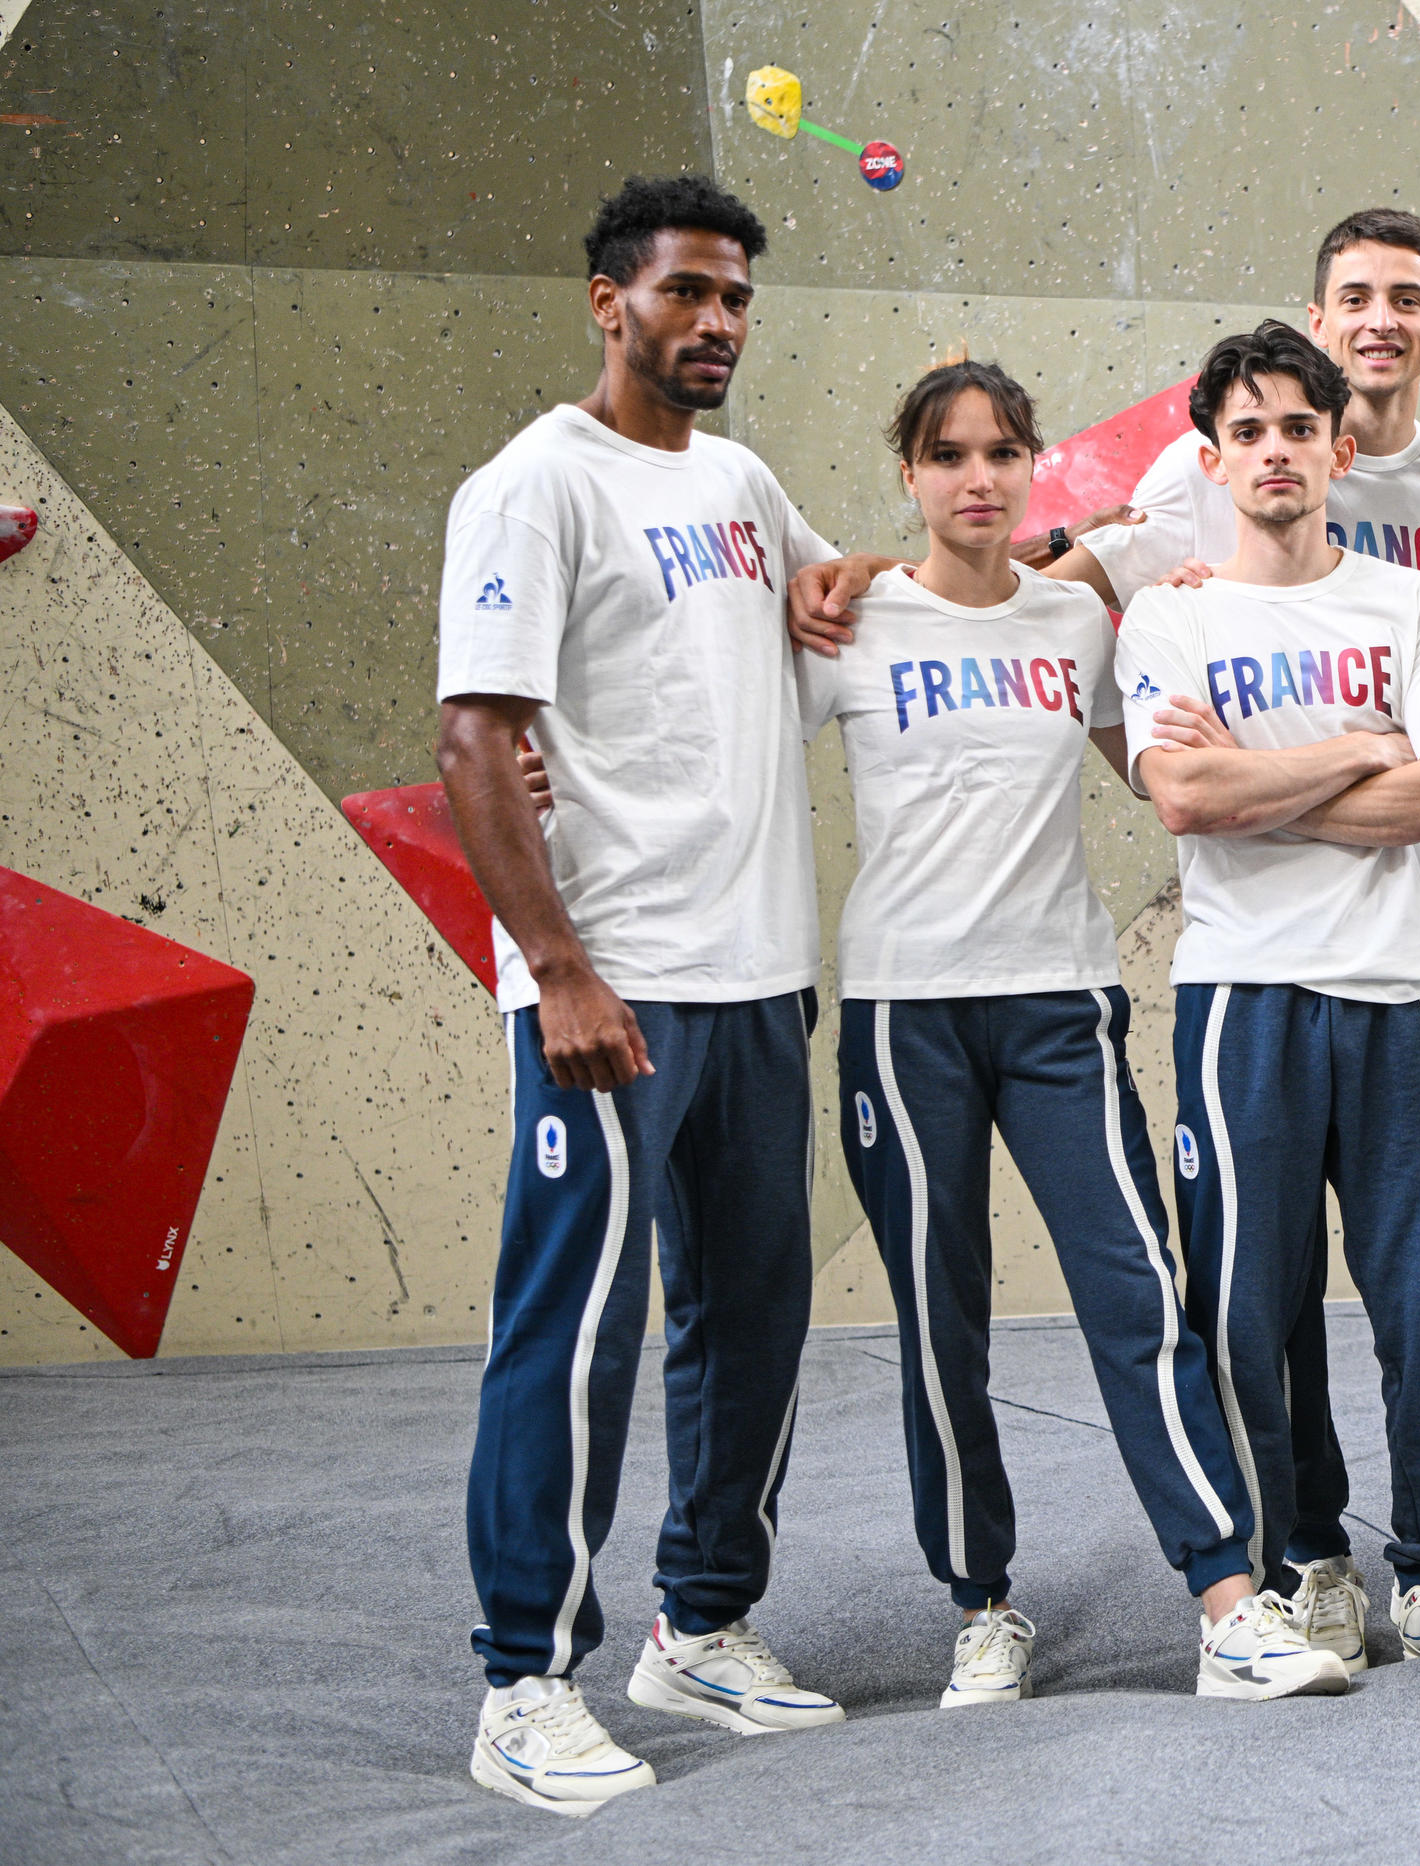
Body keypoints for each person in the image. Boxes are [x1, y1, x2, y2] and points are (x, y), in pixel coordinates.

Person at [797, 360, 1342, 1702]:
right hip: (903, 1011)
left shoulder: (1085, 625)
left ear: (1031, 464)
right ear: (911, 474)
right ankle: (982, 1601)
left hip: (1058, 1003)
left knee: (1138, 1293)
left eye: (1000, 452)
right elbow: (721, 727)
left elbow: (1166, 776)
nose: (976, 477)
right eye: (947, 454)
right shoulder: (851, 625)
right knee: (939, 1317)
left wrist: (1200, 657)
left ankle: (1228, 1597)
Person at [435, 174, 844, 1818]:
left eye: (735, 297)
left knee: (752, 1322)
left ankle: (703, 1621)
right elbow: (474, 740)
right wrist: (559, 972)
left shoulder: (743, 478)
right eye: (685, 294)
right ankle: (524, 1682)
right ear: (609, 301)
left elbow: (838, 608)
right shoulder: (533, 486)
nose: (716, 324)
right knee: (578, 1333)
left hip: (758, 973)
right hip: (614, 987)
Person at [1116, 319, 1420, 1661]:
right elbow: (1181, 792)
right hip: (1245, 993)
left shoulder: (1411, 603)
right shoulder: (1172, 614)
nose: (1276, 452)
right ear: (1213, 458)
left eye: (1299, 427)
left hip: (1400, 990)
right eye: (1248, 431)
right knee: (1253, 1298)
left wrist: (1264, 788)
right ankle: (1308, 1557)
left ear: (1340, 447)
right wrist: (1358, 749)